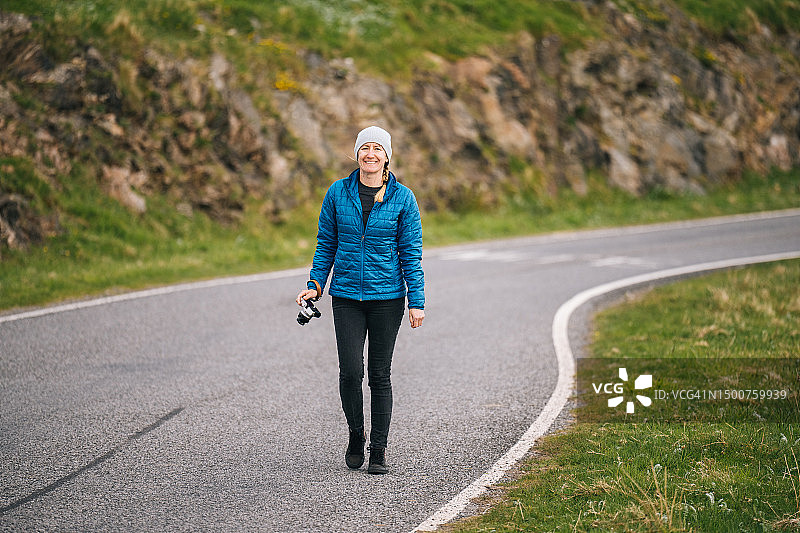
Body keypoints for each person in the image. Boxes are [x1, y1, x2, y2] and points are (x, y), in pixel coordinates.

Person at [296, 125, 425, 475]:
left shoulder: (404, 198)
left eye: (377, 148)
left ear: (387, 156)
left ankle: (379, 449)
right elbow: (326, 245)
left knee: (379, 374)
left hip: (388, 299)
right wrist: (315, 285)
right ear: (356, 154)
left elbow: (411, 254)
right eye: (364, 148)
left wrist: (417, 300)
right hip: (347, 296)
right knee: (351, 372)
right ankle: (356, 435)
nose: (370, 154)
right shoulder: (338, 193)